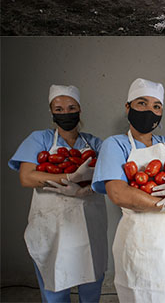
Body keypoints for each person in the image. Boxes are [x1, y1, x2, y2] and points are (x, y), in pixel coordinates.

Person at [93, 78, 165, 302]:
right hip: (142, 242)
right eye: (142, 103)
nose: (149, 111)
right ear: (128, 107)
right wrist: (164, 204)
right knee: (146, 294)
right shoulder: (115, 145)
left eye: (156, 106)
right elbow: (118, 193)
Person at [7, 85, 107, 303]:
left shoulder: (95, 143)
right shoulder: (39, 139)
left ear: (80, 110)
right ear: (51, 112)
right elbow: (26, 177)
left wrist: (86, 188)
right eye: (59, 108)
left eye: (71, 107)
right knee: (54, 279)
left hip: (89, 225)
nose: (65, 113)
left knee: (92, 280)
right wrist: (70, 177)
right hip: (51, 225)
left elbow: (108, 181)